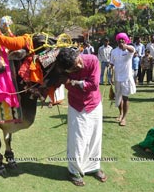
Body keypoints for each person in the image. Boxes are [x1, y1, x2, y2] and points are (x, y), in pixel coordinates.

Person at [56, 48, 107, 186]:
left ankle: (93, 167)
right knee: (77, 139)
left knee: (95, 137)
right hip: (76, 105)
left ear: (78, 55)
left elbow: (94, 85)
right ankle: (74, 171)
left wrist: (71, 82)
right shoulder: (61, 69)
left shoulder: (92, 60)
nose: (78, 66)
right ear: (66, 69)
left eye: (77, 62)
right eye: (73, 68)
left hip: (94, 103)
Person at [110, 32, 136, 126]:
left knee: (125, 98)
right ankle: (120, 114)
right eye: (119, 40)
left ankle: (124, 118)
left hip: (126, 78)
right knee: (118, 97)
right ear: (117, 41)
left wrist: (126, 46)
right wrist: (111, 75)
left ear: (126, 41)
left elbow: (133, 50)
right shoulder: (114, 51)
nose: (121, 41)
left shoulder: (129, 50)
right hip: (117, 78)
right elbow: (112, 63)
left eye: (123, 40)